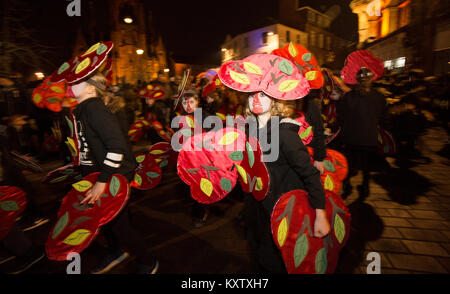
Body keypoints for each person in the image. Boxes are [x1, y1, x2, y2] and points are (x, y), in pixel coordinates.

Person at [69, 72, 158, 274]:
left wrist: (103, 180)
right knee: (104, 221)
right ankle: (116, 251)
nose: (72, 84)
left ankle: (148, 261)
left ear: (91, 88)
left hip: (112, 176)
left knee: (119, 225)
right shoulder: (82, 109)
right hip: (97, 175)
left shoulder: (95, 108)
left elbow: (117, 146)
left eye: (78, 81)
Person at [242, 92, 330, 273]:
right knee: (255, 252)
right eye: (252, 96)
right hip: (255, 207)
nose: (256, 100)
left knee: (273, 260)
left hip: (278, 207)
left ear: (275, 100)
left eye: (263, 96)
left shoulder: (284, 133)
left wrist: (320, 213)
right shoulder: (248, 129)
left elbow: (309, 173)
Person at [337, 67, 389, 200]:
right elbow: (384, 118)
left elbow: (340, 117)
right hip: (369, 138)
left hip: (350, 138)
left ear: (356, 80)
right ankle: (365, 187)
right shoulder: (379, 97)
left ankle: (347, 187)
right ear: (371, 80)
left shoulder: (348, 97)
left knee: (349, 164)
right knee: (366, 165)